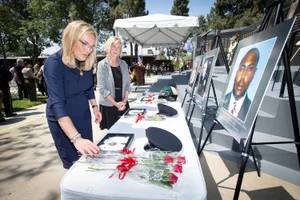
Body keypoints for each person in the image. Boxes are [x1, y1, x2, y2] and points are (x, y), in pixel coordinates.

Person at [44, 20, 102, 169]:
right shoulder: (54, 63)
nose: (88, 50)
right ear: (70, 38)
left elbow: (88, 87)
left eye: (92, 46)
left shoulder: (85, 61)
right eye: (84, 43)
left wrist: (95, 107)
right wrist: (76, 138)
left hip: (82, 113)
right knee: (74, 164)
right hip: (62, 118)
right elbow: (57, 103)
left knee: (87, 157)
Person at [97, 36, 131, 130]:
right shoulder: (102, 65)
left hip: (123, 103)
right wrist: (116, 104)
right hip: (109, 105)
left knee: (126, 130)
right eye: (114, 46)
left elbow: (128, 85)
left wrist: (124, 101)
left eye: (118, 47)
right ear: (108, 47)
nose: (116, 49)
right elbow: (102, 89)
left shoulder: (124, 64)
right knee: (113, 135)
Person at [222, 48, 259, 121]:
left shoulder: (250, 109)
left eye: (250, 69)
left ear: (254, 73)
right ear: (236, 71)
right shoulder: (223, 101)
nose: (242, 77)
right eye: (241, 69)